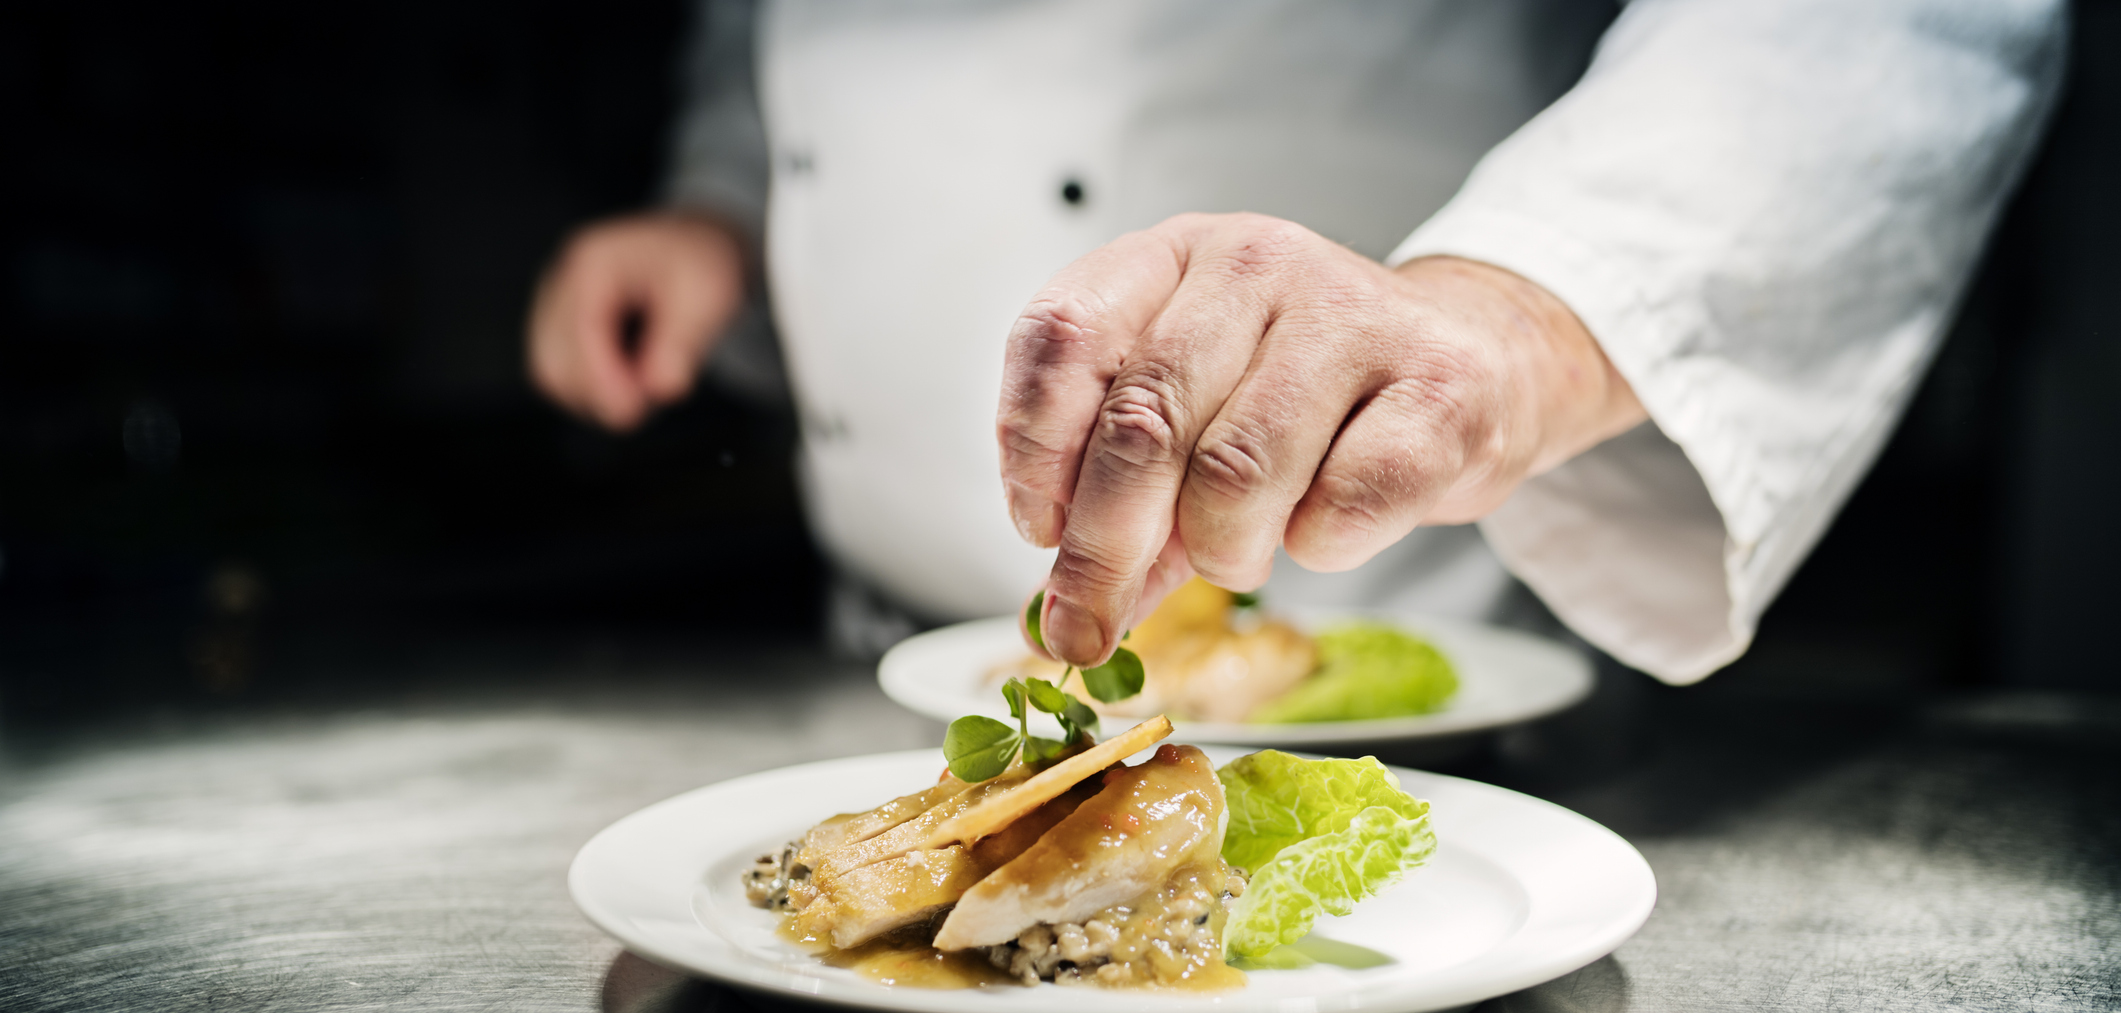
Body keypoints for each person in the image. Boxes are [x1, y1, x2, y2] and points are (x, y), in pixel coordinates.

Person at [528, 0, 2066, 682]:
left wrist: (1524, 315)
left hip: (1407, 642)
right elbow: (776, 37)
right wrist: (717, 200)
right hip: (875, 656)